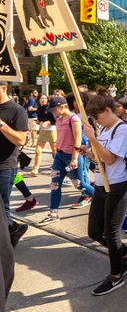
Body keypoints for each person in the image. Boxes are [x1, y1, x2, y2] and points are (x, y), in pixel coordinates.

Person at [80, 87, 127, 296]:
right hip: (101, 185)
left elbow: (111, 158)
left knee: (111, 233)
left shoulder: (123, 130)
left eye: (96, 116)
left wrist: (92, 139)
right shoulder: (104, 129)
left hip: (117, 186)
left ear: (107, 110)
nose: (95, 120)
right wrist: (89, 152)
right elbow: (100, 158)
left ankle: (116, 276)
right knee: (94, 232)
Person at [37, 96, 93, 225]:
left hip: (71, 156)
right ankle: (53, 213)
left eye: (54, 109)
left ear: (62, 106)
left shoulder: (74, 120)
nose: (53, 112)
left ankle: (104, 199)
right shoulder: (59, 119)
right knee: (55, 184)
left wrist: (74, 158)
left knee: (79, 184)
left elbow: (78, 139)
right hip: (59, 155)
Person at [0, 81, 29, 247]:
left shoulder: (16, 110)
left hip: (4, 166)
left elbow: (21, 139)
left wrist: (1, 125)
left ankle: (8, 240)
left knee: (3, 208)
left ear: (4, 88)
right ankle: (14, 229)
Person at [29, 93, 57, 177]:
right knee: (37, 151)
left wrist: (47, 122)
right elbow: (40, 118)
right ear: (38, 100)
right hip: (42, 131)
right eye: (41, 98)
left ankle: (60, 167)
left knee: (55, 151)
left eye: (45, 98)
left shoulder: (50, 108)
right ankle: (35, 169)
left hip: (51, 131)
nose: (43, 100)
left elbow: (55, 120)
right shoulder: (39, 108)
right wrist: (38, 121)